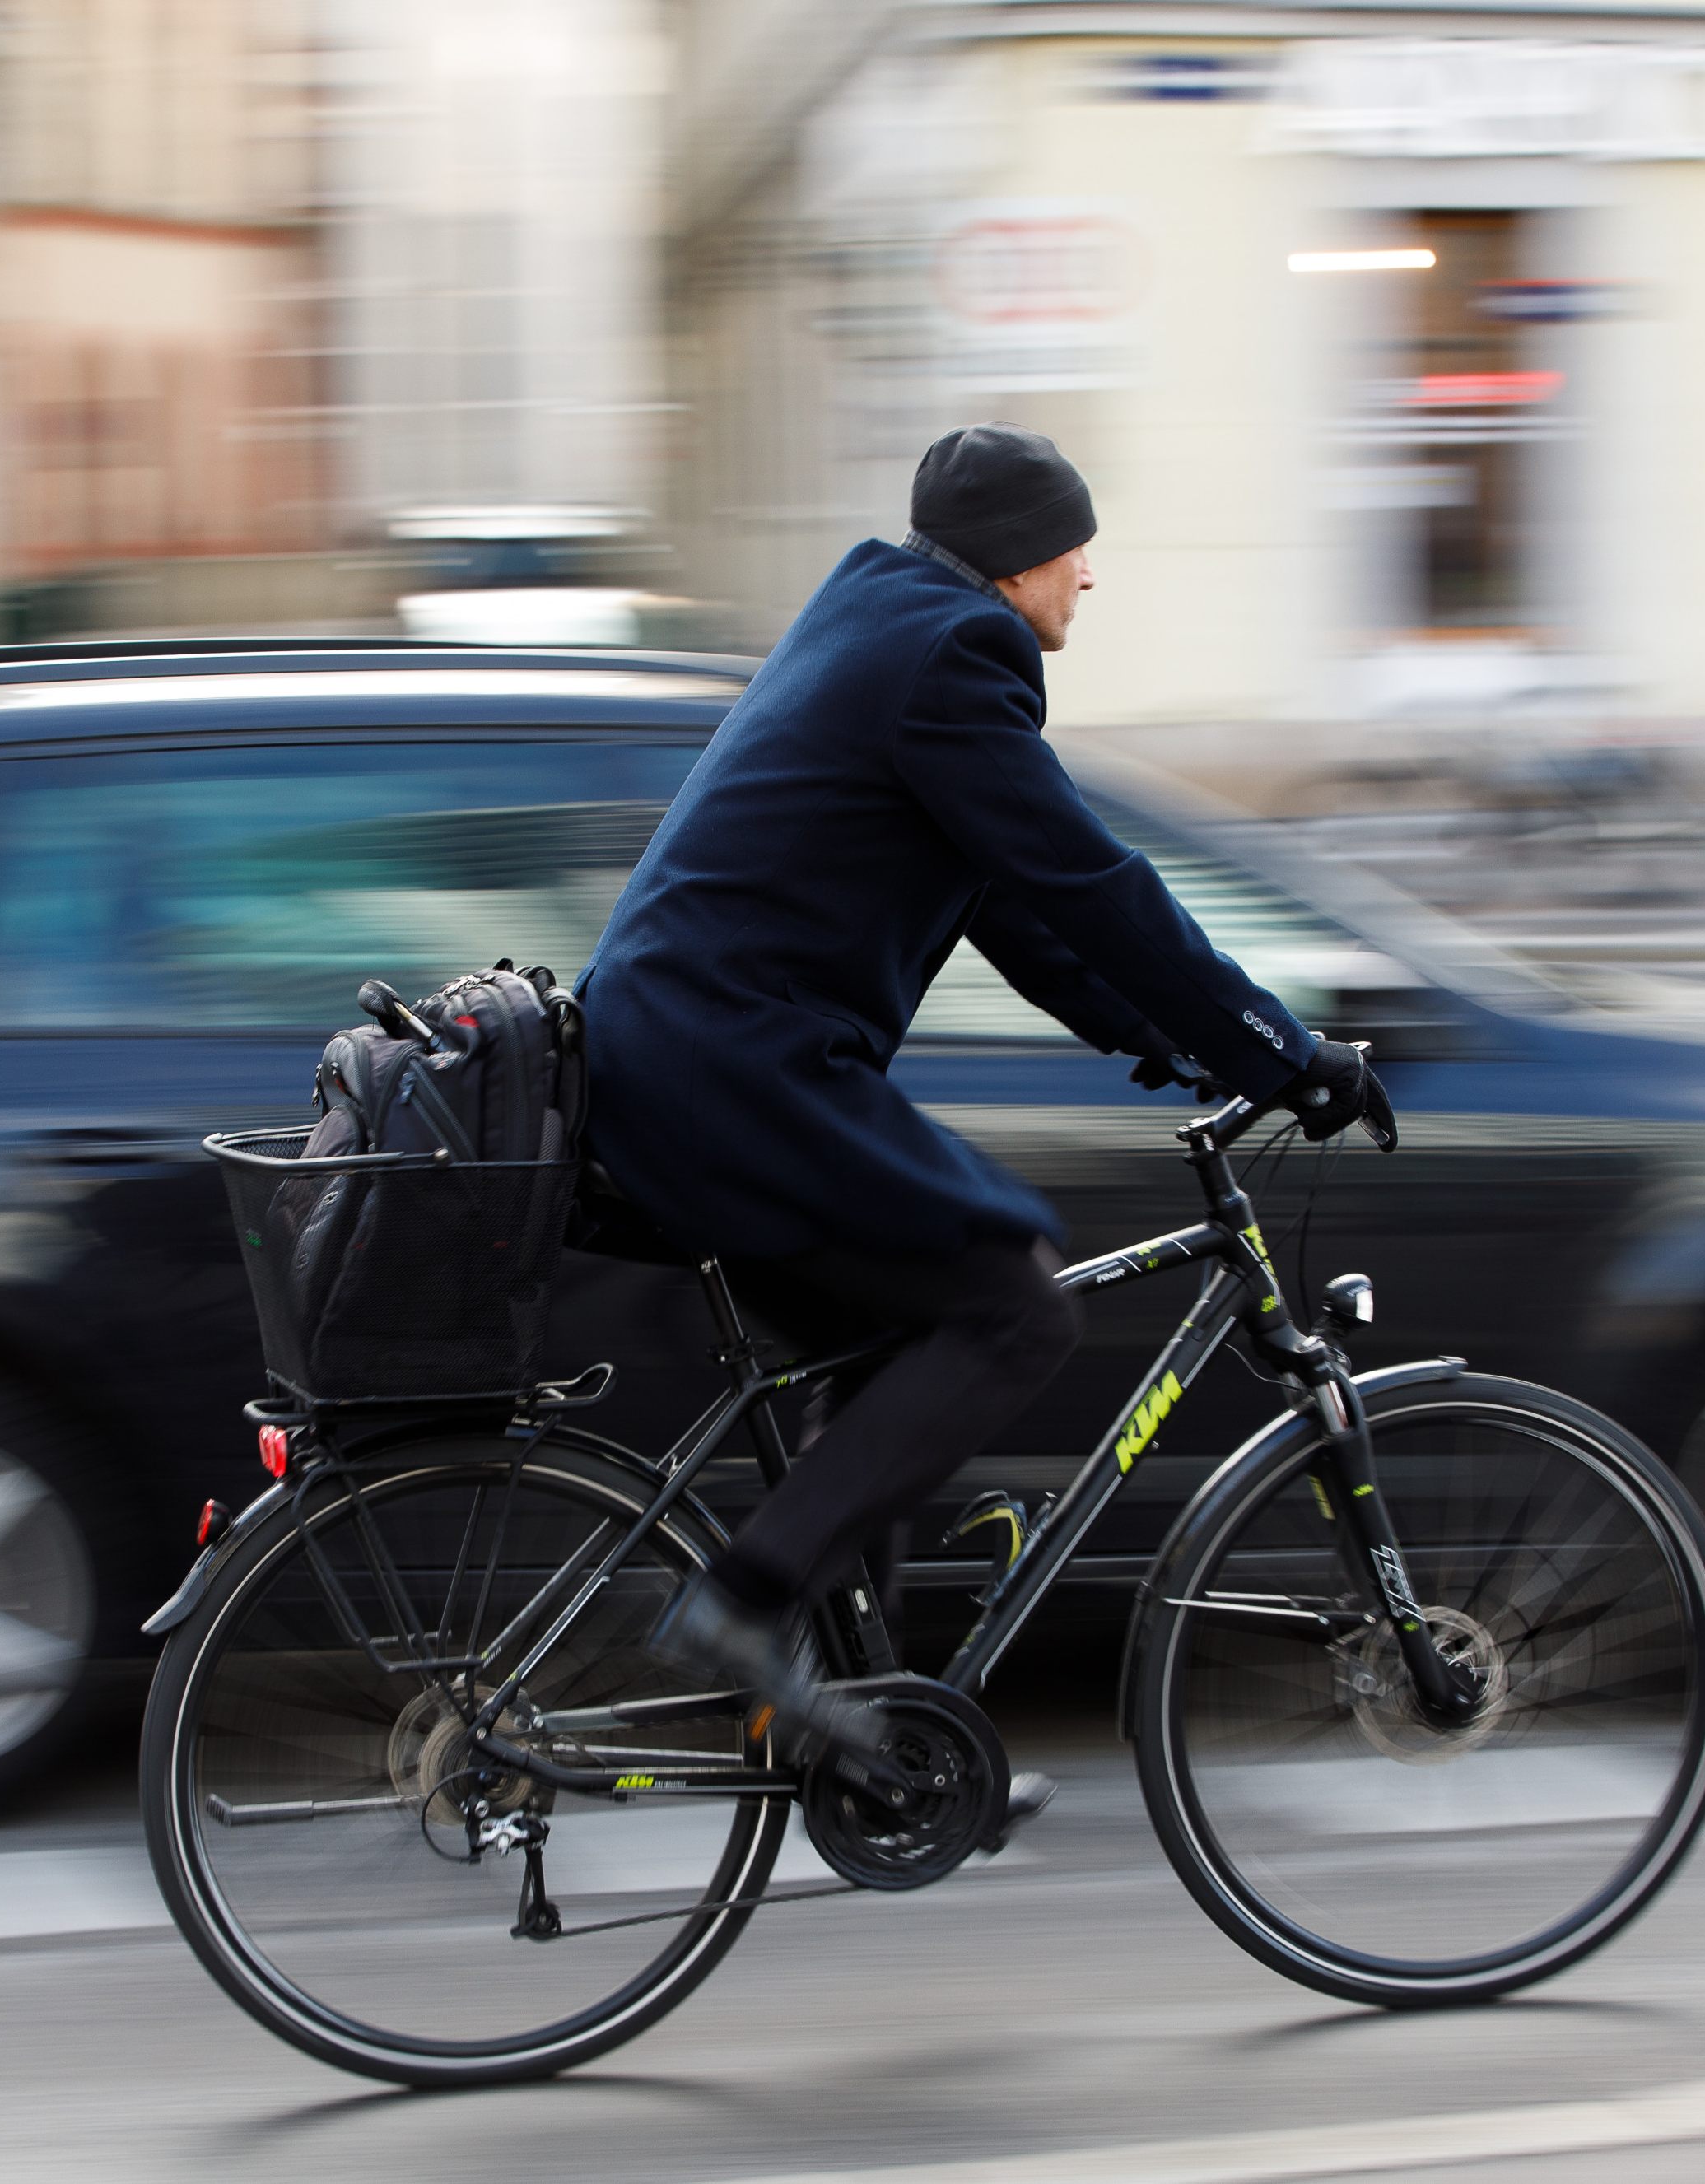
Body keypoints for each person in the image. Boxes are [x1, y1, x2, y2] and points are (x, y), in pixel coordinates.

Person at [576, 423, 1393, 1786]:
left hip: (689, 1056)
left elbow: (1020, 914)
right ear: (1021, 561)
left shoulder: (885, 626)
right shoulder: (953, 659)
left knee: (894, 1346)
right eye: (1077, 550)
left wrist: (1166, 1045)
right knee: (1015, 1308)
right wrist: (1281, 1053)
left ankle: (851, 1725)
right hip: (734, 1067)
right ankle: (741, 1599)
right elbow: (1091, 880)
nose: (1088, 578)